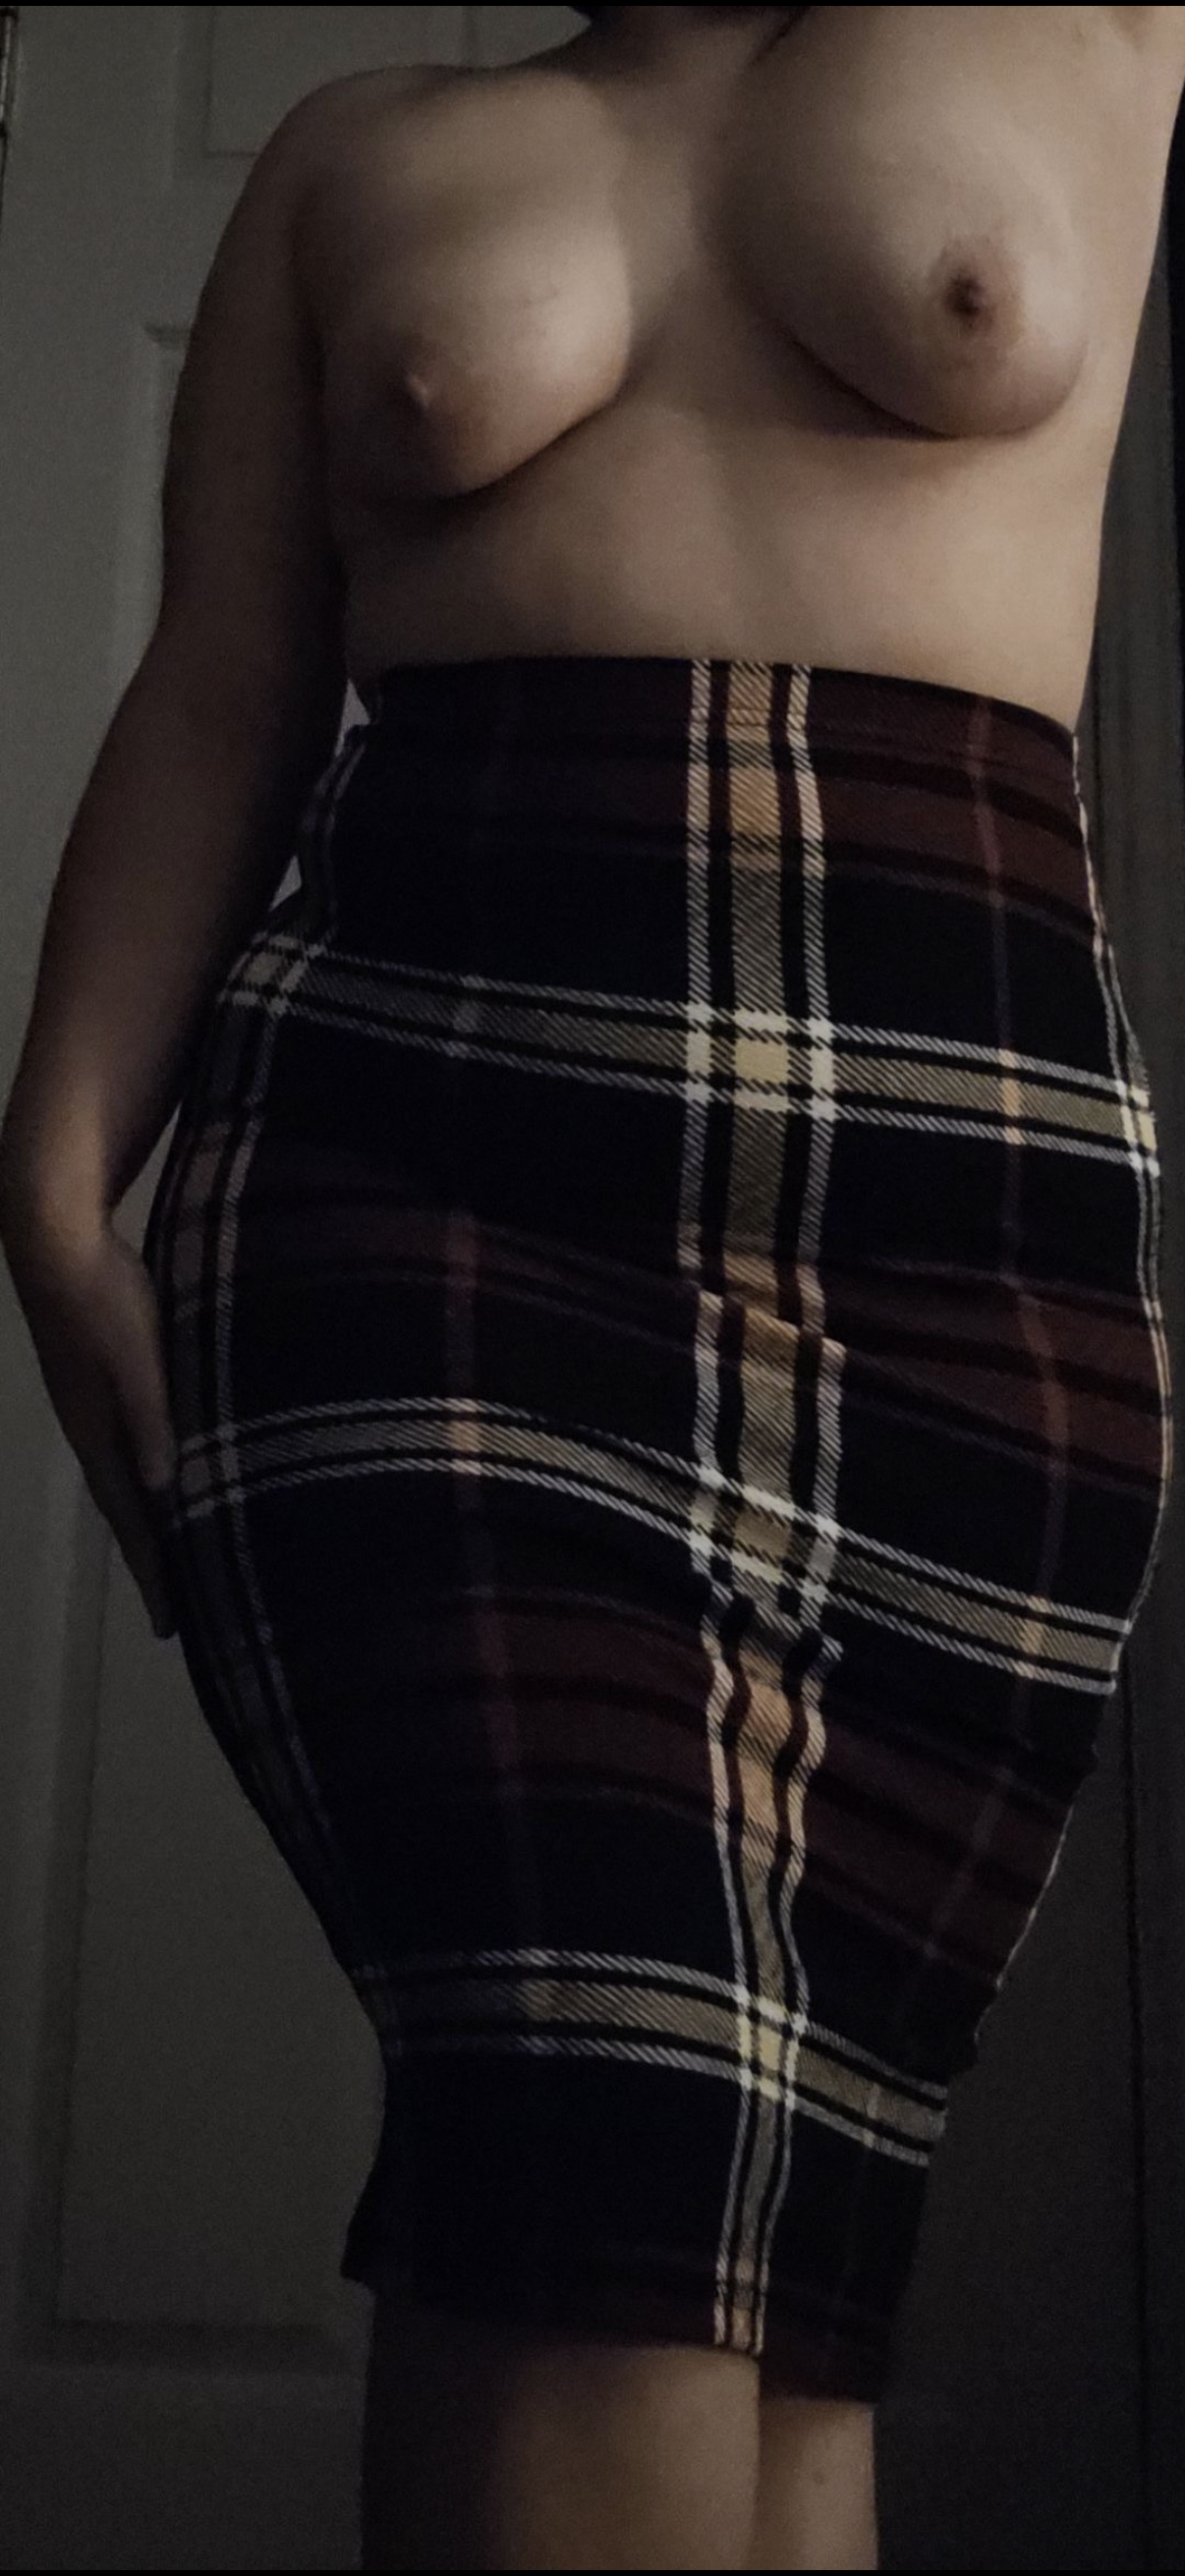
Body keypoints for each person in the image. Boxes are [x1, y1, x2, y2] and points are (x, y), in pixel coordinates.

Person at [0, 7, 1180, 2568]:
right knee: (602, 2140)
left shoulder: (1091, 33)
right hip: (412, 1220)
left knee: (792, 2243)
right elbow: (219, 688)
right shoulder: (359, 164)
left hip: (961, 1261)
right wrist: (55, 1171)